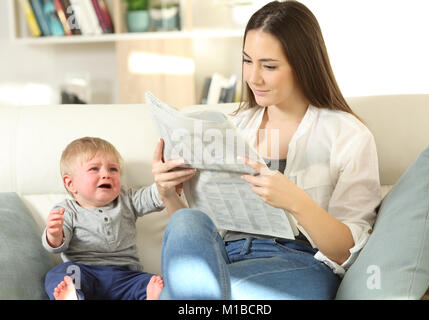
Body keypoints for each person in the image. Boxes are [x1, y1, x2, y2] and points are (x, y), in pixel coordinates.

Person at [152, 0, 381, 299]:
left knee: (184, 296)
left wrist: (297, 202)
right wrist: (170, 193)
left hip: (297, 263)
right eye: (247, 61)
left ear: (303, 64)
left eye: (269, 66)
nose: (252, 77)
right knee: (187, 222)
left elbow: (344, 252)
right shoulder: (231, 128)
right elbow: (198, 240)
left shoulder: (348, 135)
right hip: (222, 257)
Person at [43, 137, 170, 300]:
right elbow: (57, 246)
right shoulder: (66, 210)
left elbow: (153, 196)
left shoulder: (127, 200)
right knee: (60, 274)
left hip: (126, 276)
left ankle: (151, 296)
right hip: (85, 272)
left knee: (153, 281)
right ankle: (72, 297)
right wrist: (54, 234)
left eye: (113, 169)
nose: (106, 174)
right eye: (94, 169)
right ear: (71, 184)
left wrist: (164, 183)